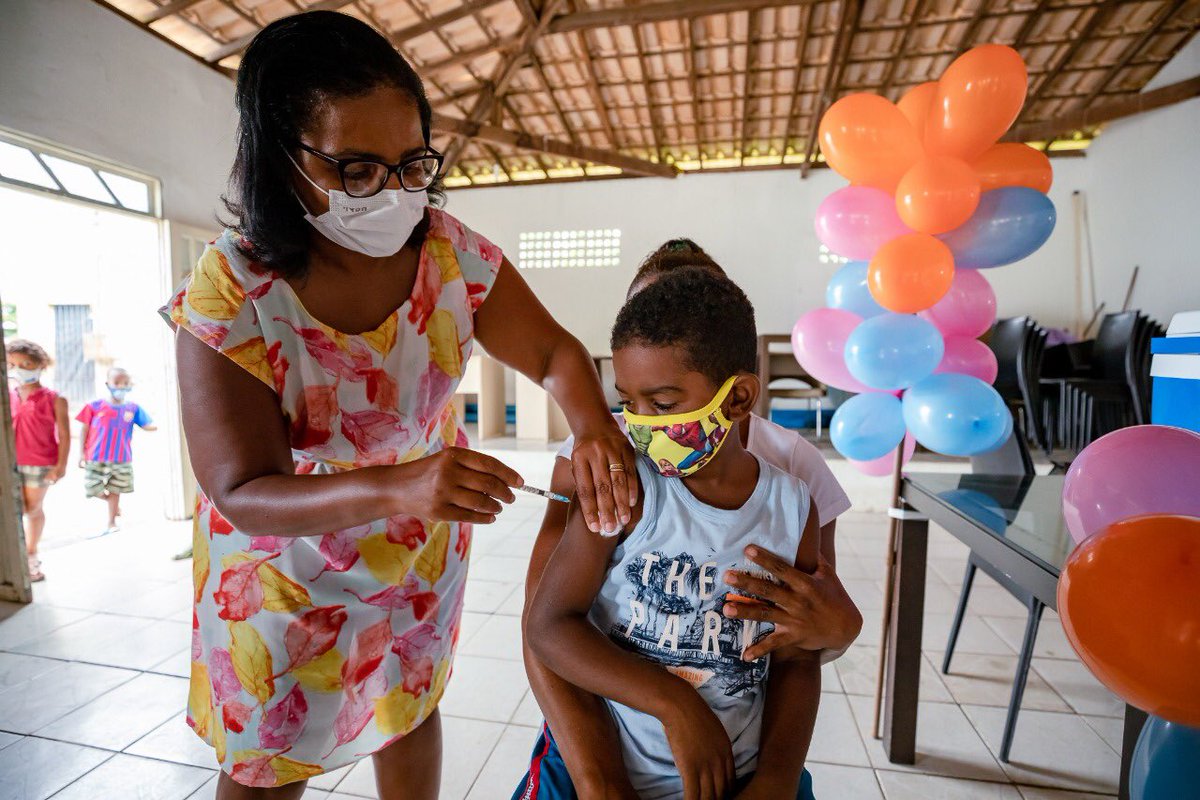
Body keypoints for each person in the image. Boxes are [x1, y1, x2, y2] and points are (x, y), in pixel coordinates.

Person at [163, 11, 633, 800]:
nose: (390, 193)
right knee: (267, 763)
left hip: (416, 556)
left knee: (407, 712)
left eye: (411, 163)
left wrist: (591, 426)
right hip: (281, 578)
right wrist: (403, 486)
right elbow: (242, 491)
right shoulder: (233, 292)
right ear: (283, 160)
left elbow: (555, 354)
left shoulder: (450, 255)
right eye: (356, 170)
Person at [519, 241, 862, 796]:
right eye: (627, 401)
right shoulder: (620, 479)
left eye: (660, 404)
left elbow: (801, 652)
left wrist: (774, 780)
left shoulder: (795, 499)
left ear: (737, 396)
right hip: (613, 757)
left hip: (740, 771)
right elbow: (547, 622)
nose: (637, 423)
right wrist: (667, 707)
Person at [6, 339, 69, 583]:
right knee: (15, 509)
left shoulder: (54, 399)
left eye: (25, 363)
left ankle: (31, 553)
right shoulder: (7, 397)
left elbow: (64, 434)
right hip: (11, 462)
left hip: (41, 462)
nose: (19, 368)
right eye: (12, 364)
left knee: (29, 508)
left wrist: (60, 466)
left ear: (40, 364)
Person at [76, 367, 157, 535]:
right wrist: (81, 453)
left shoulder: (133, 408)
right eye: (117, 383)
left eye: (125, 383)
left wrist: (158, 426)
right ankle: (112, 505)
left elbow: (146, 424)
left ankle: (112, 521)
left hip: (121, 457)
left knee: (116, 489)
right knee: (92, 488)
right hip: (95, 457)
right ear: (108, 384)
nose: (121, 386)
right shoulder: (94, 406)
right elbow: (83, 429)